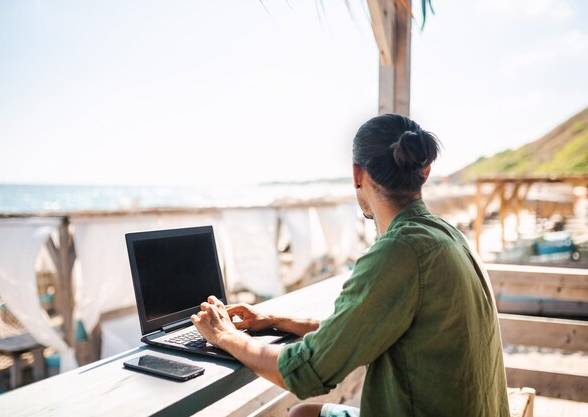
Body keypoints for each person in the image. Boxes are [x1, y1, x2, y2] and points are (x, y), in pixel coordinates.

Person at [191, 114, 510, 417]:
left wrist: (224, 335)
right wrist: (275, 319)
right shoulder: (446, 235)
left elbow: (305, 372)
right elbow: (359, 328)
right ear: (424, 172)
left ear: (358, 175)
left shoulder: (399, 251)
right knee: (304, 414)